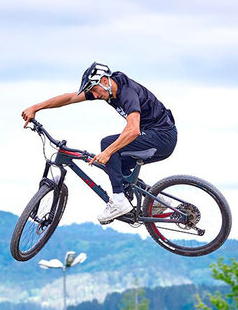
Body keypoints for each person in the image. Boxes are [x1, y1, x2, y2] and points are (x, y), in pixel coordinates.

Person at [22, 62, 178, 224]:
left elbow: (133, 130)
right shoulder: (108, 90)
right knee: (113, 166)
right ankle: (154, 198)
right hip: (155, 136)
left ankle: (118, 201)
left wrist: (107, 151)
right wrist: (36, 107)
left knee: (108, 144)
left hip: (162, 137)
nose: (95, 96)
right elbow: (70, 97)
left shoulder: (127, 93)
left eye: (95, 91)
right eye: (92, 93)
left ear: (104, 81)